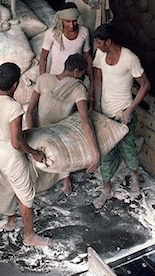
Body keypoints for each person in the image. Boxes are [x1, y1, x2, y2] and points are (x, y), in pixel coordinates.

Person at [0, 62, 50, 247]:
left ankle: (11, 220)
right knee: (26, 196)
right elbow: (17, 142)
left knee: (8, 186)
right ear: (15, 84)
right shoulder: (14, 107)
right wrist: (34, 153)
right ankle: (29, 237)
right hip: (11, 156)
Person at [92, 24, 150, 208]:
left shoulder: (129, 58)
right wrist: (97, 105)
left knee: (128, 149)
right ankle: (106, 188)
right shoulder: (100, 54)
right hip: (106, 114)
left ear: (109, 41)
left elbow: (145, 85)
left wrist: (129, 110)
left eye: (99, 42)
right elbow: (98, 79)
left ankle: (134, 178)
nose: (97, 45)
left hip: (123, 113)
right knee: (106, 153)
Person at [26, 53, 100, 194]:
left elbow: (29, 112)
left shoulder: (44, 78)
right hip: (60, 138)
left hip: (40, 132)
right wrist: (95, 153)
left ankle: (61, 178)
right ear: (76, 72)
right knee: (69, 142)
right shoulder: (78, 88)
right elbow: (85, 121)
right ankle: (65, 179)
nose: (82, 78)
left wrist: (32, 136)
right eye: (82, 74)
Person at [39, 2, 94, 105]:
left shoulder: (84, 32)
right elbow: (43, 58)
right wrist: (42, 81)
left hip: (76, 80)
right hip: (56, 79)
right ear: (61, 19)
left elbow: (87, 57)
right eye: (67, 21)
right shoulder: (52, 33)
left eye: (74, 21)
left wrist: (92, 82)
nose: (71, 25)